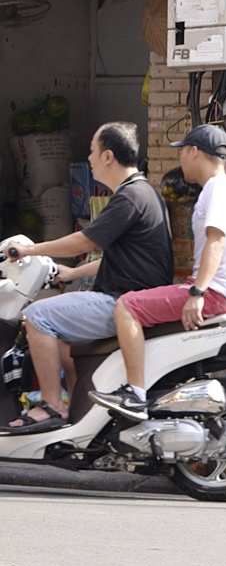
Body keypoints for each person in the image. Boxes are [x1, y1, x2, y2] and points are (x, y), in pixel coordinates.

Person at [3, 122, 173, 430]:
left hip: (123, 303)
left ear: (108, 156)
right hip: (128, 296)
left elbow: (86, 241)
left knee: (37, 316)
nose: (89, 158)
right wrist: (73, 272)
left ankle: (52, 406)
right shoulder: (143, 192)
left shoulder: (130, 196)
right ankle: (80, 407)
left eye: (92, 151)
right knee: (62, 338)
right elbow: (124, 257)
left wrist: (28, 251)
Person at [91, 124, 226, 421]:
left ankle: (135, 393)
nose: (180, 159)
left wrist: (197, 293)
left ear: (194, 151)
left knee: (127, 306)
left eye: (182, 151)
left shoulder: (217, 188)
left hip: (219, 293)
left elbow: (216, 242)